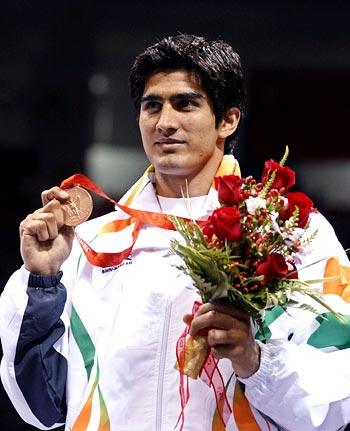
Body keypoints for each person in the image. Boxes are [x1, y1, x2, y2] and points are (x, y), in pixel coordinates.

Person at [1, 33, 350, 431]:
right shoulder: (89, 244)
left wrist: (254, 360)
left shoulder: (291, 238)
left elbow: (335, 400)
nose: (165, 123)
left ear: (228, 120)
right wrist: (42, 281)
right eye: (152, 106)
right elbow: (44, 407)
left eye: (185, 103)